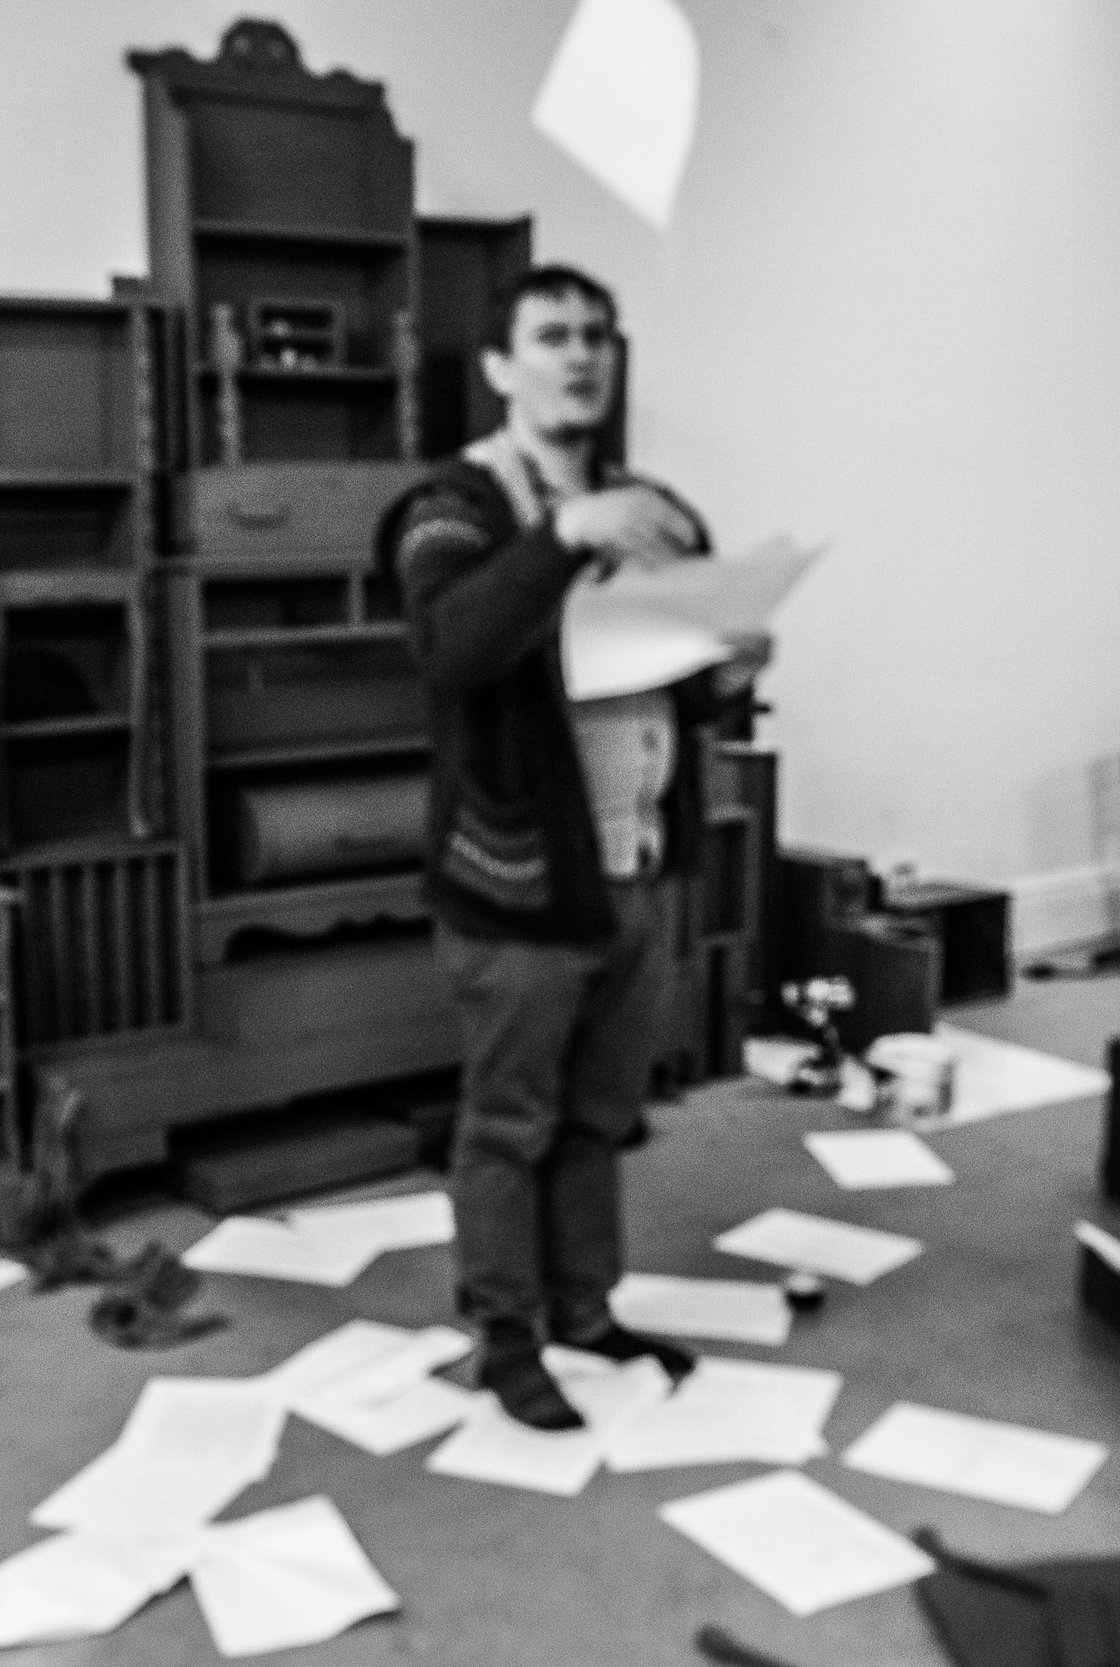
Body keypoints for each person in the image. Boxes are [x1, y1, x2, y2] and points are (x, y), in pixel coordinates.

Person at [376, 264, 766, 1430]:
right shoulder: (449, 507)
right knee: (510, 1122)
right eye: (552, 335)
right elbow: (452, 648)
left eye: (596, 333)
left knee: (600, 1116)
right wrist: (560, 534)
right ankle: (505, 1333)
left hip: (632, 870)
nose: (580, 353)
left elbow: (672, 694)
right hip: (514, 882)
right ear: (500, 366)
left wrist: (726, 675)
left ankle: (584, 1308)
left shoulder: (655, 513)